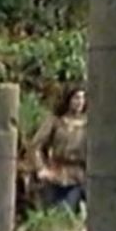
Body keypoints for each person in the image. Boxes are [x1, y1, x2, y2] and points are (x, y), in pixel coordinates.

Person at [29, 85, 88, 214]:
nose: (80, 102)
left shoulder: (89, 124)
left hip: (77, 176)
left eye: (83, 98)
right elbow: (36, 145)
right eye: (76, 98)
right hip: (55, 174)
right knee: (49, 213)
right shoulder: (56, 121)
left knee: (66, 213)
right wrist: (41, 168)